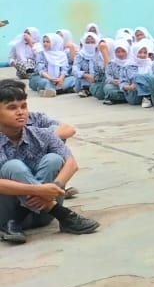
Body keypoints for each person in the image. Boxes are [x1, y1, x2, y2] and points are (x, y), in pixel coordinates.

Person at [0, 81, 99, 244]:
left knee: (54, 159)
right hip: (5, 215)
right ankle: (63, 215)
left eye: (23, 106)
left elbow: (71, 163)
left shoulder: (42, 133)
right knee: (13, 167)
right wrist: (41, 190)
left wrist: (56, 186)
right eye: (12, 108)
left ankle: (18, 219)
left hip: (41, 218)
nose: (20, 112)